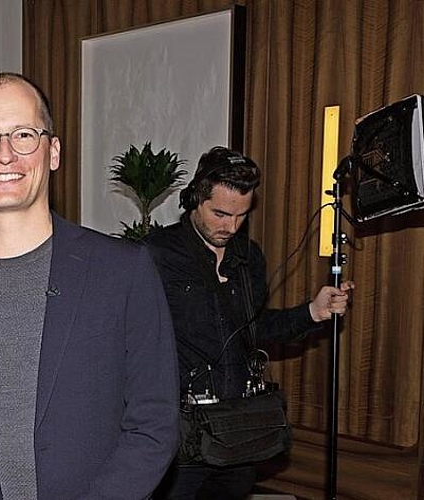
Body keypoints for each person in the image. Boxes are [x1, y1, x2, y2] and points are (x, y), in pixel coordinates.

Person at [0, 72, 179, 500]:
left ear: (53, 151)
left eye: (23, 134)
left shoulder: (124, 272)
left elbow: (155, 422)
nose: (4, 155)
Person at [143, 146, 354, 500]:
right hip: (179, 436)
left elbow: (256, 329)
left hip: (238, 432)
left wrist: (312, 312)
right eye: (220, 214)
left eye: (241, 216)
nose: (230, 226)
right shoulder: (154, 254)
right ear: (195, 198)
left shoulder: (248, 256)